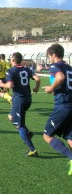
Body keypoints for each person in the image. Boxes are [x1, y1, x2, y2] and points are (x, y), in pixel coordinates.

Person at [0, 52, 40, 156]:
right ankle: (28, 133)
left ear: (12, 60)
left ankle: (32, 150)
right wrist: (36, 88)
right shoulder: (27, 69)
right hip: (28, 99)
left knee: (19, 125)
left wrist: (1, 84)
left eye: (10, 59)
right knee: (11, 117)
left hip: (19, 100)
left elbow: (10, 85)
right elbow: (38, 79)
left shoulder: (11, 70)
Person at [42, 44, 72, 176]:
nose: (49, 59)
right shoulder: (70, 67)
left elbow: (60, 78)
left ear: (53, 55)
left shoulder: (55, 66)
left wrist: (51, 88)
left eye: (49, 56)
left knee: (47, 135)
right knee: (69, 136)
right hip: (70, 103)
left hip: (63, 105)